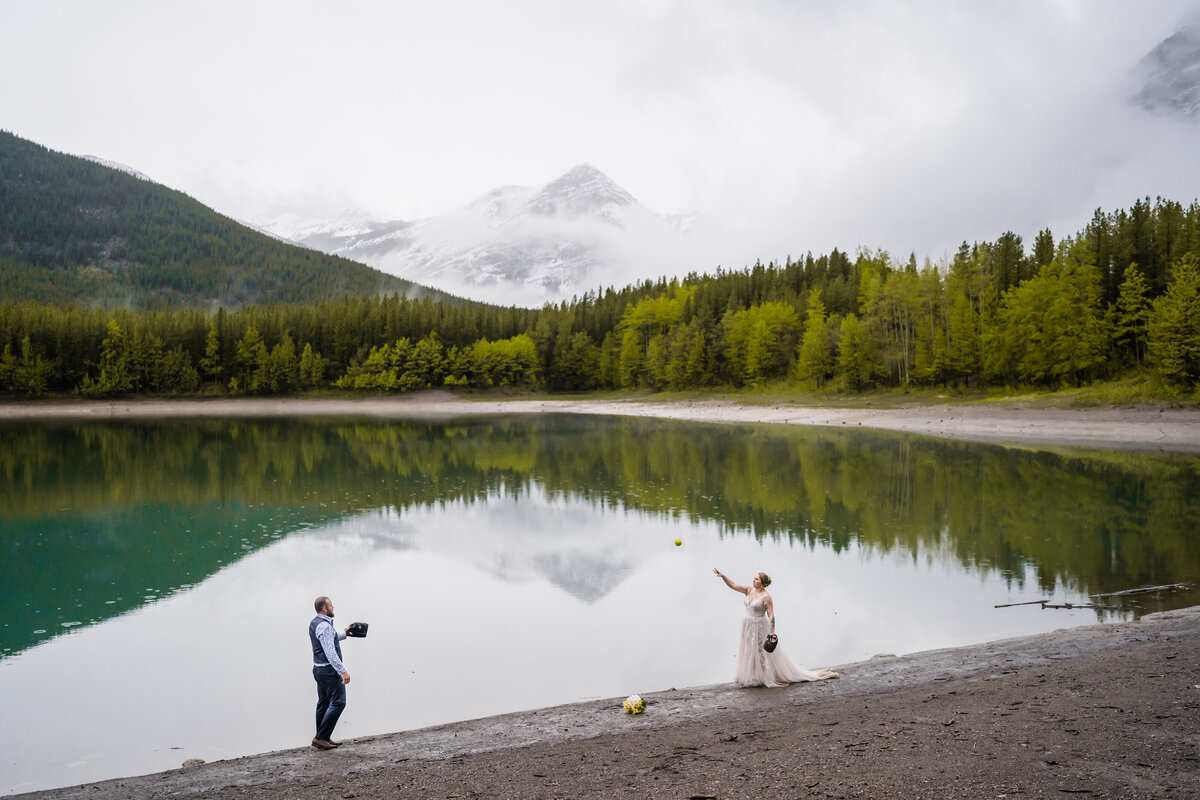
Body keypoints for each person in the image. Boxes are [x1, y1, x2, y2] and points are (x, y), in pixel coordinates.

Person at [713, 568, 838, 688]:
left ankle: (760, 678)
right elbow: (733, 585)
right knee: (749, 649)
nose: (753, 580)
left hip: (759, 626)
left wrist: (772, 633)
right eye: (754, 578)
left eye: (756, 579)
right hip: (748, 626)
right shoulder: (749, 590)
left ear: (762, 583)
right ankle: (751, 676)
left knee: (760, 651)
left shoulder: (766, 596)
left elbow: (771, 615)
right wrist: (723, 576)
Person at [309, 595, 352, 749]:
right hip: (328, 671)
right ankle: (321, 737)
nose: (333, 608)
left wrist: (346, 633)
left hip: (319, 670)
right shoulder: (324, 626)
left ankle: (323, 737)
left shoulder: (316, 623)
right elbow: (330, 652)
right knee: (339, 702)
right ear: (325, 609)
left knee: (324, 702)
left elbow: (330, 639)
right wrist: (343, 671)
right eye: (331, 605)